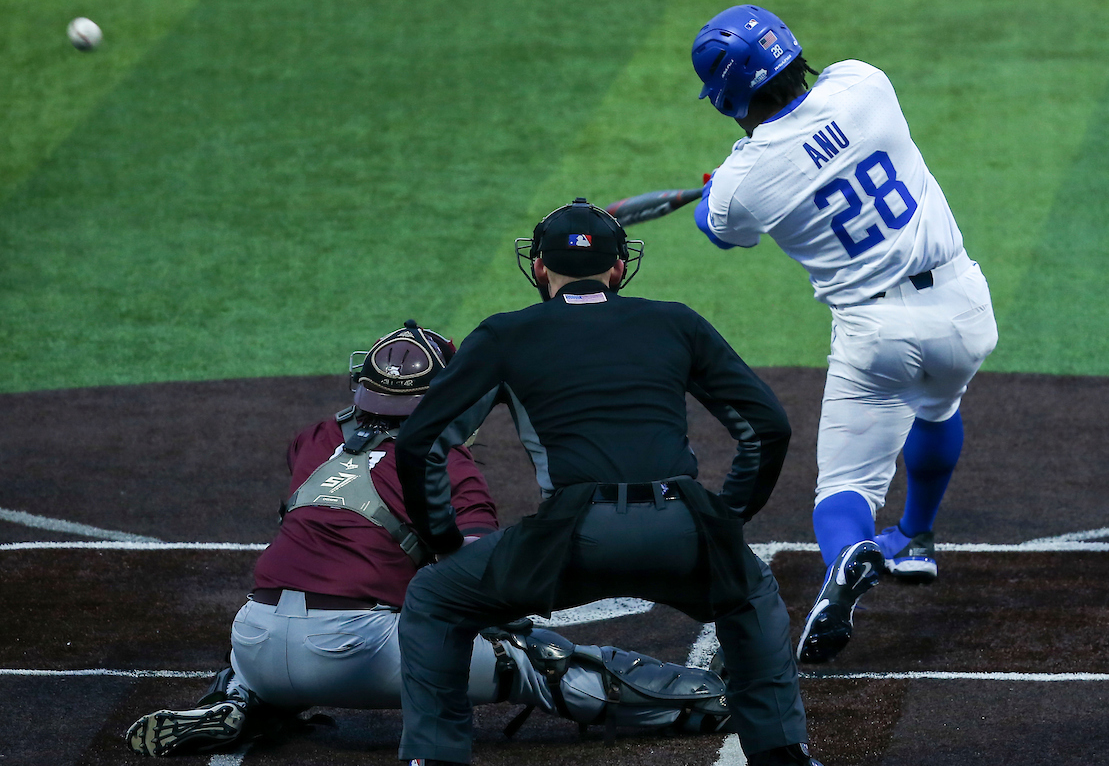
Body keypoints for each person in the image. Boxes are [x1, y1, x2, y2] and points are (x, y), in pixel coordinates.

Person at [124, 322, 731, 757]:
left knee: (284, 618)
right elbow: (481, 573)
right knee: (526, 654)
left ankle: (238, 703)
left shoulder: (311, 440)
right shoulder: (450, 468)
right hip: (356, 653)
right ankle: (701, 698)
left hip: (254, 643)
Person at [394, 198, 824, 766]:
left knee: (433, 598)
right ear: (619, 268)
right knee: (752, 597)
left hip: (570, 541)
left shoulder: (505, 335)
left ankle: (437, 758)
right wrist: (725, 518)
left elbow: (420, 443)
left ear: (540, 268)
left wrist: (443, 541)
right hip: (682, 525)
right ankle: (782, 755)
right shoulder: (677, 321)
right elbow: (767, 428)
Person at [689, 5, 1000, 665]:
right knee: (938, 405)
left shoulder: (742, 182)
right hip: (964, 308)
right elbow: (819, 128)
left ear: (727, 98)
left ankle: (848, 556)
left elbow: (718, 229)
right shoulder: (864, 83)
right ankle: (915, 537)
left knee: (846, 489)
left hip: (876, 334)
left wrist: (720, 185)